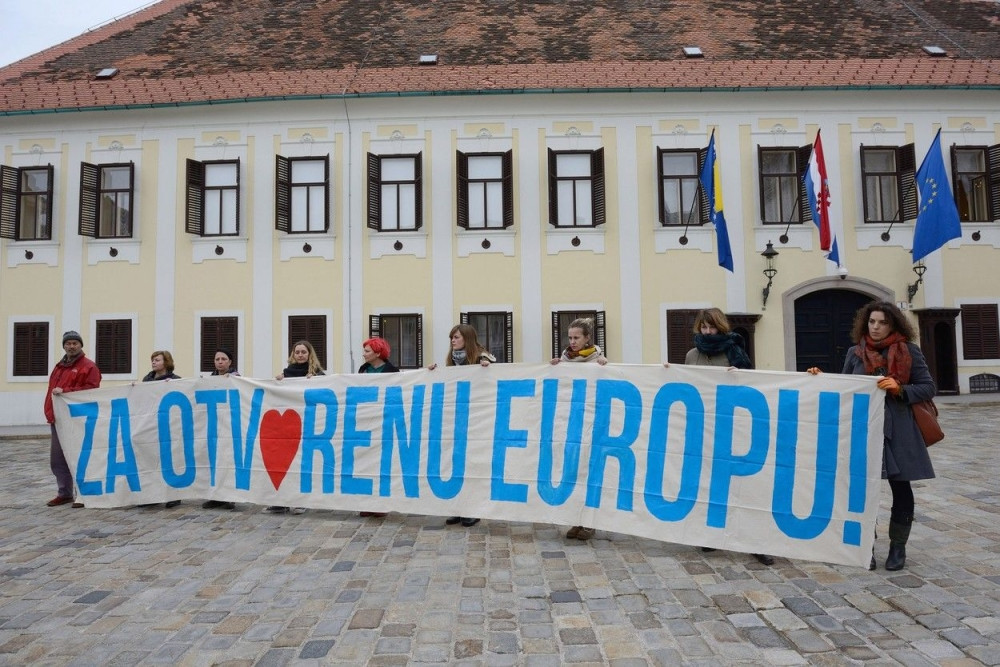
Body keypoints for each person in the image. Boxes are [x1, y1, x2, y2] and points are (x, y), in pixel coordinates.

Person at [808, 301, 935, 571]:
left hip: (900, 430)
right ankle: (866, 546)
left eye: (882, 322)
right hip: (865, 428)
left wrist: (900, 388)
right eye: (872, 322)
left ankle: (898, 547)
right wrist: (818, 379)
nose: (876, 327)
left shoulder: (909, 351)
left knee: (901, 488)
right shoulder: (856, 353)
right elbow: (844, 388)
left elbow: (927, 387)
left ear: (894, 325)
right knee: (863, 490)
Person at [682, 308, 775, 567]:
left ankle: (755, 541)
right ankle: (713, 534)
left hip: (736, 427)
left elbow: (753, 387)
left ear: (720, 327)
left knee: (745, 485)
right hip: (706, 427)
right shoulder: (692, 355)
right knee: (711, 482)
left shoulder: (735, 351)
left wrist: (740, 376)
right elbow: (687, 385)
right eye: (704, 328)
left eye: (712, 327)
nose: (708, 332)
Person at [429, 324, 494, 527]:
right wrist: (434, 372)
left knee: (473, 465)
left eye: (456, 337)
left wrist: (486, 366)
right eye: (451, 338)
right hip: (457, 421)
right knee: (456, 464)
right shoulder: (452, 362)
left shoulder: (482, 357)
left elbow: (494, 375)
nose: (453, 341)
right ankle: (458, 508)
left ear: (467, 338)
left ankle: (473, 510)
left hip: (477, 421)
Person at [551, 317, 607, 540]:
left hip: (592, 424)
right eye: (570, 337)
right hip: (571, 424)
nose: (572, 342)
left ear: (587, 339)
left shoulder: (597, 360)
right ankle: (575, 521)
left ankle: (590, 523)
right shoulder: (565, 359)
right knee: (571, 472)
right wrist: (554, 367)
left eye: (577, 338)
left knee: (589, 473)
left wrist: (604, 366)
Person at [44, 331, 102, 509]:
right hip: (59, 418)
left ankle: (84, 494)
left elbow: (91, 389)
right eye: (68, 343)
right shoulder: (59, 366)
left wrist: (66, 390)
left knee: (80, 457)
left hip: (78, 419)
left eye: (75, 343)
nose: (71, 346)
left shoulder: (89, 366)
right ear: (64, 346)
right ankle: (65, 493)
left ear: (81, 345)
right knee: (58, 459)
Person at [267, 341, 325, 514]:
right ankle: (282, 500)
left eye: (303, 352)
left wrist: (316, 382)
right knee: (286, 465)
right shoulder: (286, 374)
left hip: (309, 425)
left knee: (304, 464)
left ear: (309, 354)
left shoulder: (318, 374)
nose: (300, 355)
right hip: (288, 427)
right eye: (297, 352)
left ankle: (302, 500)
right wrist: (277, 382)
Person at [357, 337, 400, 518]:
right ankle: (366, 502)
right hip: (365, 420)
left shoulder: (392, 371)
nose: (364, 354)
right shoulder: (363, 370)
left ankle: (381, 504)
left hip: (385, 420)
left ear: (377, 352)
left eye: (367, 351)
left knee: (382, 463)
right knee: (365, 463)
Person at [139, 350, 182, 508]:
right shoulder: (147, 379)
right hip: (150, 426)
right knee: (151, 461)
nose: (153, 362)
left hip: (169, 426)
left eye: (157, 360)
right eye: (153, 360)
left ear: (166, 362)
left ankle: (173, 495)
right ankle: (152, 495)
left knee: (170, 460)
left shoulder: (176, 380)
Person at [203, 347, 239, 510]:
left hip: (230, 427)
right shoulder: (209, 380)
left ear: (230, 362)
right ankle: (215, 496)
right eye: (217, 359)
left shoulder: (237, 379)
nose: (220, 362)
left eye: (223, 359)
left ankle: (229, 497)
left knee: (228, 461)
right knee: (213, 462)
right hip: (213, 427)